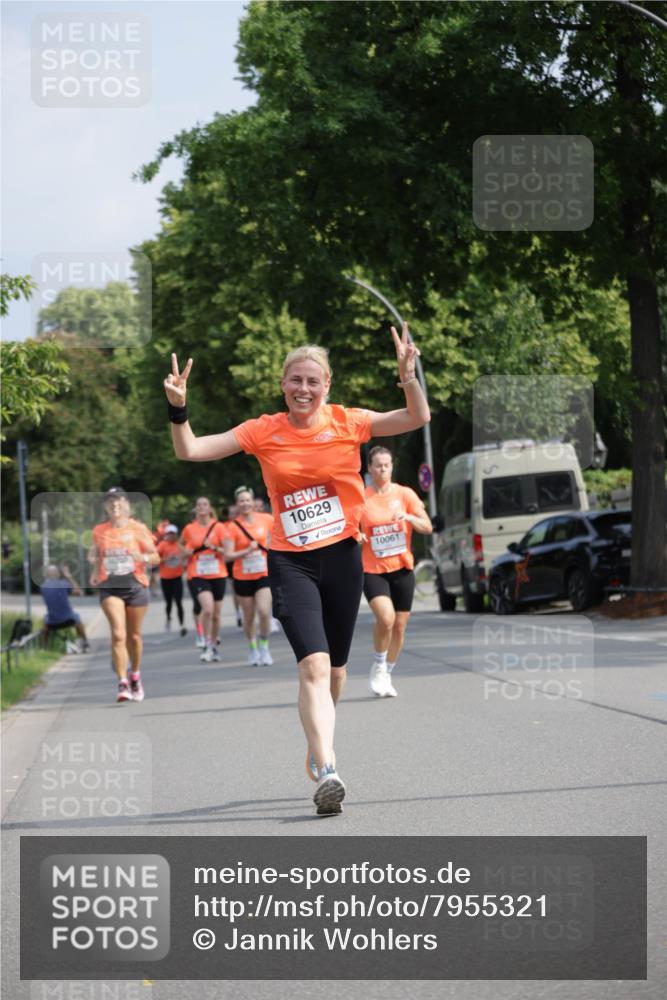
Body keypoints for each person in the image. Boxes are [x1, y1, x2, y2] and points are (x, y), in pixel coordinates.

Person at [164, 322, 429, 816]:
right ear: (283, 384)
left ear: (326, 385)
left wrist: (407, 375)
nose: (303, 389)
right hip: (291, 560)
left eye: (313, 381)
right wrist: (178, 407)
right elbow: (190, 449)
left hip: (344, 556)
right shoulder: (263, 430)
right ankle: (327, 770)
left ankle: (318, 739)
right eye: (295, 380)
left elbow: (417, 416)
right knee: (312, 663)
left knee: (337, 670)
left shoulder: (350, 422)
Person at [360, 446, 433, 698]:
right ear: (369, 468)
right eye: (378, 465)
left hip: (402, 568)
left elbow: (427, 526)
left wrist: (409, 518)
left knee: (400, 627)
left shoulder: (405, 494)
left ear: (392, 466)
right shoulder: (362, 497)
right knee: (386, 618)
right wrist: (357, 535)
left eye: (387, 465)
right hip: (372, 570)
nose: (383, 469)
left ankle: (387, 672)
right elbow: (349, 529)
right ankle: (379, 664)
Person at [88, 487, 159, 703]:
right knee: (118, 634)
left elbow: (156, 557)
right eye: (110, 502)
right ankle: (122, 682)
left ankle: (135, 674)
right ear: (106, 507)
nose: (114, 505)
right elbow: (96, 554)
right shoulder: (99, 530)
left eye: (118, 501)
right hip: (110, 586)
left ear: (126, 505)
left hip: (135, 585)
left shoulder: (138, 528)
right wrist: (93, 567)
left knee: (134, 636)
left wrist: (142, 558)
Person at [224, 486, 274, 666]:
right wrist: (245, 551)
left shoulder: (267, 520)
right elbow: (227, 555)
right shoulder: (231, 527)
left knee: (264, 611)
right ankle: (252, 648)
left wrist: (270, 546)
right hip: (242, 577)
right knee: (249, 616)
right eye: (241, 501)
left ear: (253, 502)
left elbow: (278, 537)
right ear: (237, 505)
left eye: (247, 500)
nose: (245, 503)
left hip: (263, 573)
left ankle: (264, 647)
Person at [180, 497, 228, 662]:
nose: (201, 507)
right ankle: (207, 643)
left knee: (216, 614)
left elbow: (227, 551)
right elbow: (181, 546)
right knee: (208, 609)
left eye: (204, 504)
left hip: (218, 573)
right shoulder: (189, 529)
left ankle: (214, 645)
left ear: (210, 508)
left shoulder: (219, 527)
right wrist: (186, 552)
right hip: (198, 573)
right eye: (198, 504)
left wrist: (213, 547)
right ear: (196, 509)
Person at [40, 564, 89, 651]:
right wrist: (69, 576)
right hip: (68, 619)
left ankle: (45, 647)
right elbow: (78, 592)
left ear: (48, 575)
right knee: (78, 619)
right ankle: (85, 643)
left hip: (52, 622)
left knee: (45, 620)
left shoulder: (43, 587)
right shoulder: (64, 583)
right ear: (58, 574)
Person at [156, 524, 187, 635]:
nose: (171, 536)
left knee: (179, 602)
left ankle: (182, 625)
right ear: (166, 534)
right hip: (165, 579)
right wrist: (165, 559)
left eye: (173, 534)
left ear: (176, 534)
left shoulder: (179, 545)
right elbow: (155, 560)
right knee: (168, 602)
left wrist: (183, 560)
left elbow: (187, 555)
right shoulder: (162, 545)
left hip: (177, 577)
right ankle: (168, 618)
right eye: (169, 533)